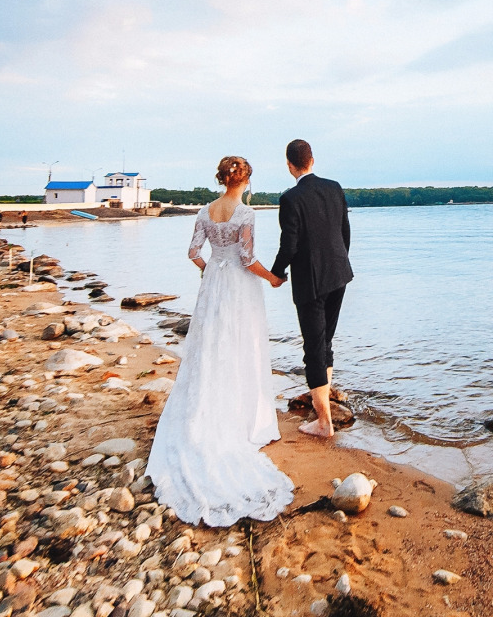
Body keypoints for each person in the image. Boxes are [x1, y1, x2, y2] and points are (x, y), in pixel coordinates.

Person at [146, 156, 293, 526]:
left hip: (214, 283)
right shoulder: (246, 214)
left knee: (210, 348)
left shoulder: (204, 211)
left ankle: (208, 409)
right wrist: (273, 279)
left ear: (222, 178)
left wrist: (210, 269)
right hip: (240, 288)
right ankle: (246, 419)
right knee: (243, 345)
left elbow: (194, 253)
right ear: (245, 180)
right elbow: (247, 258)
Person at [271, 140, 353, 438]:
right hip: (339, 274)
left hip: (312, 281)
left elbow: (289, 244)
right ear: (312, 161)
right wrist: (339, 262)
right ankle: (325, 405)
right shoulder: (334, 187)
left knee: (313, 349)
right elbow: (345, 232)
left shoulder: (291, 198)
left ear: (290, 165)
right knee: (325, 341)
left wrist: (276, 273)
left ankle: (323, 422)